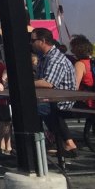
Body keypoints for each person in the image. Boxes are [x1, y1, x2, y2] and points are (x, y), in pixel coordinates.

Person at [31, 27, 77, 158]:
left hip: (63, 99)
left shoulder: (55, 59)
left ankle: (42, 143)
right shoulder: (45, 57)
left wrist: (25, 84)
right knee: (36, 106)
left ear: (43, 41)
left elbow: (47, 83)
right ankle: (63, 142)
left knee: (35, 109)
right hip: (52, 98)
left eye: (33, 40)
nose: (31, 43)